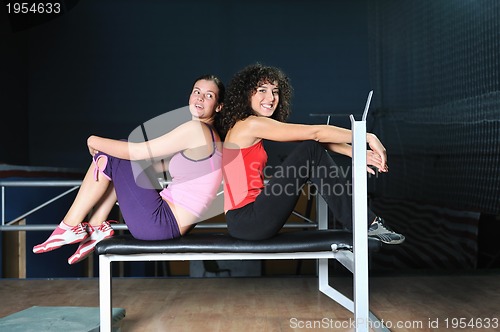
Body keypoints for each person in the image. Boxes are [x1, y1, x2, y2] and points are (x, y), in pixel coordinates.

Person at [33, 74, 225, 264]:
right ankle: (96, 225)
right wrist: (109, 154)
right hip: (167, 222)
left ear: (219, 106)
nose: (200, 97)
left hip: (161, 224)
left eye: (209, 95)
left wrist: (93, 140)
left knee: (121, 150)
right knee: (119, 159)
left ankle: (70, 225)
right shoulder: (210, 137)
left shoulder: (196, 131)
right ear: (190, 96)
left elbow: (138, 152)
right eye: (196, 92)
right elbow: (152, 166)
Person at [216, 63, 404, 244]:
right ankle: (367, 224)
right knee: (310, 149)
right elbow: (315, 134)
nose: (271, 97)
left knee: (311, 149)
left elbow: (313, 139)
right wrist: (367, 137)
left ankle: (365, 223)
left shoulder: (246, 125)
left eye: (275, 91)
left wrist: (353, 151)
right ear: (247, 93)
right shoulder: (250, 124)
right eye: (262, 90)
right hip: (248, 220)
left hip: (245, 220)